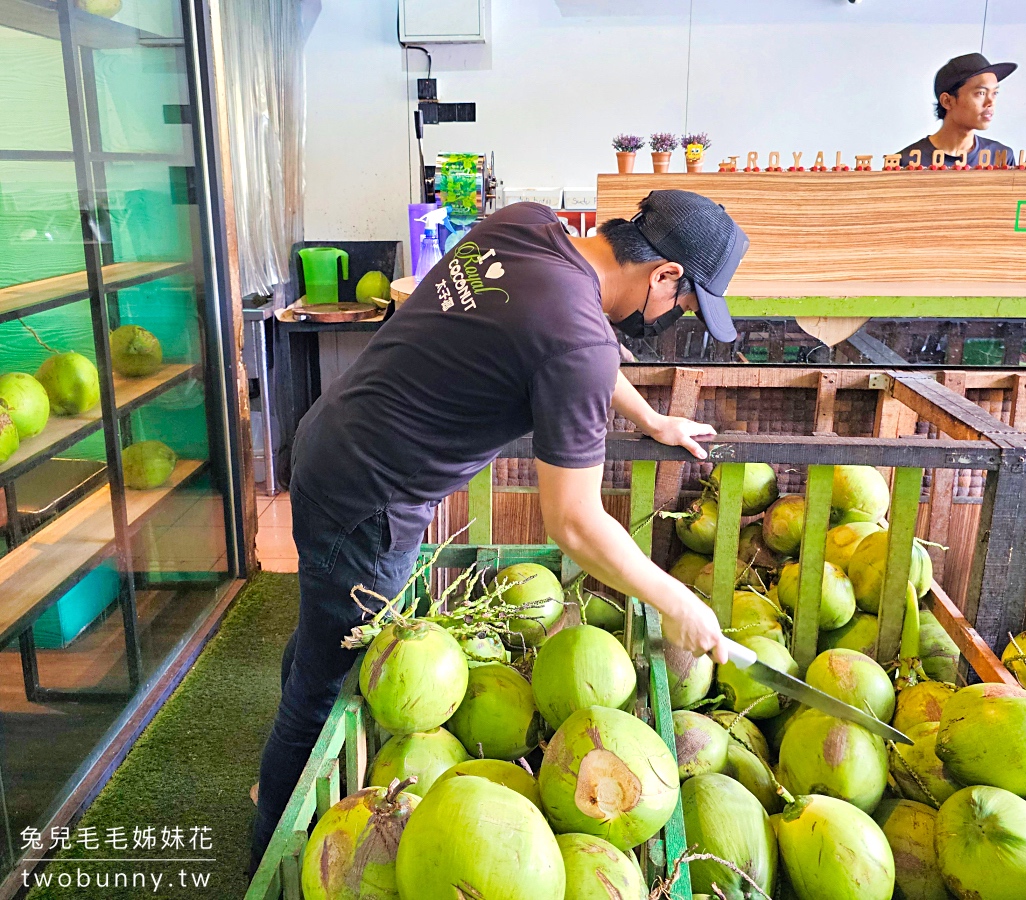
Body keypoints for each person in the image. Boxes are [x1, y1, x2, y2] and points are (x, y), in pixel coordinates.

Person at [249, 189, 748, 868]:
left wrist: (650, 420)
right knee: (326, 688)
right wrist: (678, 600)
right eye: (684, 305)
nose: (675, 316)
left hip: (327, 438)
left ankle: (281, 753)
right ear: (664, 275)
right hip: (371, 497)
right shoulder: (579, 343)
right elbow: (574, 523)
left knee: (321, 631)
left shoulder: (524, 224)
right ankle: (269, 855)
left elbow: (575, 350)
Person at [897, 52, 1017, 168]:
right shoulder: (907, 162)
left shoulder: (1001, 158)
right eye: (981, 93)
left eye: (995, 93)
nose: (990, 103)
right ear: (947, 101)